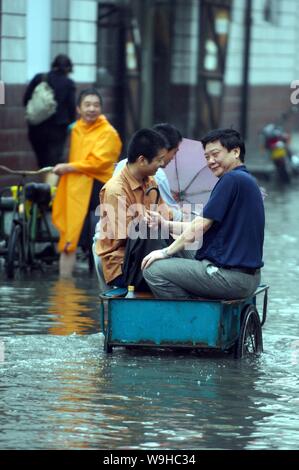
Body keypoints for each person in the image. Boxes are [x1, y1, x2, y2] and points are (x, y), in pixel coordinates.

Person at [142, 128, 265, 300]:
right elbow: (203, 226)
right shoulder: (245, 180)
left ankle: (189, 319)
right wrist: (165, 224)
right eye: (207, 157)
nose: (211, 161)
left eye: (215, 154)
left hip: (231, 277)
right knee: (172, 241)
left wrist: (165, 253)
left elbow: (201, 225)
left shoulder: (231, 180)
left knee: (153, 270)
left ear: (235, 151)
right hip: (246, 276)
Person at [52, 88, 122, 278]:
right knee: (69, 236)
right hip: (75, 186)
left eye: (96, 105)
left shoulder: (108, 133)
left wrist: (68, 167)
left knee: (104, 235)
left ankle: (108, 276)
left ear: (101, 108)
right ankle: (64, 284)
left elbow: (99, 162)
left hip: (98, 187)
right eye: (87, 105)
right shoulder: (75, 129)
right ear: (78, 108)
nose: (92, 109)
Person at [95, 128, 171, 289]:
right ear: (142, 160)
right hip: (123, 266)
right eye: (159, 160)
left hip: (148, 253)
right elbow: (122, 236)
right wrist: (145, 221)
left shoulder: (150, 181)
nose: (162, 164)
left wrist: (160, 220)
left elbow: (166, 214)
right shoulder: (115, 190)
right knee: (176, 278)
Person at [23, 54, 76, 185]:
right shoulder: (68, 83)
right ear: (68, 68)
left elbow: (25, 101)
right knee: (53, 165)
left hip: (36, 128)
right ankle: (47, 199)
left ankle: (42, 195)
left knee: (42, 163)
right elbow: (71, 110)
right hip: (57, 130)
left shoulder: (39, 78)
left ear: (53, 65)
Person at [115, 123, 182, 220]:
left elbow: (161, 208)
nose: (173, 158)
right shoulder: (157, 175)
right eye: (174, 152)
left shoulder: (148, 179)